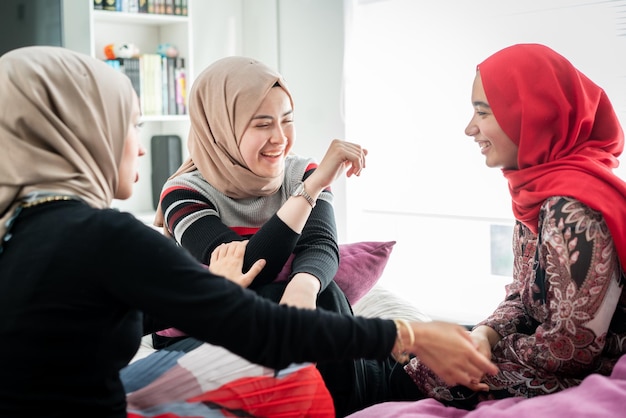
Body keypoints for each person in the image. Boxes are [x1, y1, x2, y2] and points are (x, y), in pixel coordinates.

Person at [0, 46, 497, 417]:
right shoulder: (107, 232)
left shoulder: (21, 232)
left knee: (317, 299)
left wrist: (208, 291)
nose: (142, 148)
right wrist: (410, 333)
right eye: (128, 127)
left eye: (287, 120)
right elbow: (261, 326)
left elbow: (94, 318)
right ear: (81, 136)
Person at [150, 55, 411, 415]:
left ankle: (366, 392)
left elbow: (320, 245)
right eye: (262, 124)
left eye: (287, 120)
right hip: (202, 334)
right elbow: (247, 267)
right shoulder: (182, 192)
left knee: (319, 291)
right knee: (289, 294)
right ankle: (369, 392)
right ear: (221, 127)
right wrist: (312, 189)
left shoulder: (298, 171)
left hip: (275, 323)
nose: (280, 138)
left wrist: (302, 289)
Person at [398, 43, 626, 410]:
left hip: (582, 373)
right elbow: (522, 295)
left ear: (530, 115)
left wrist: (481, 354)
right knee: (415, 360)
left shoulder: (575, 206)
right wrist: (484, 334)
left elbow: (572, 350)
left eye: (482, 112)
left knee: (410, 372)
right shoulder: (539, 191)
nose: (470, 128)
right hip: (542, 356)